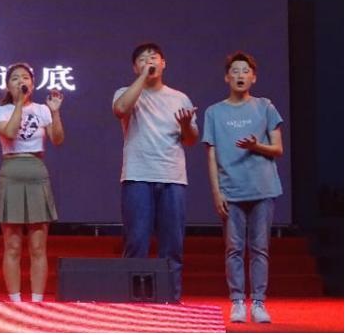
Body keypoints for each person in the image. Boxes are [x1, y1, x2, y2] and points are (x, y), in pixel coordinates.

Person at [112, 42, 197, 301]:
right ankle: (134, 301)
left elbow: (191, 139)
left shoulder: (179, 98)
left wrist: (186, 125)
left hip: (172, 176)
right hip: (138, 176)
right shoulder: (126, 92)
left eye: (154, 57)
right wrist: (142, 78)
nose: (149, 61)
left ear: (164, 63)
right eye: (142, 59)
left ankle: (170, 299)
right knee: (136, 241)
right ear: (135, 67)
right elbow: (120, 109)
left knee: (172, 244)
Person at [202, 52, 283, 324]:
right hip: (231, 191)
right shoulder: (214, 112)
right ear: (227, 77)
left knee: (260, 248)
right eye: (235, 71)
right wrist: (216, 192)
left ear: (253, 77)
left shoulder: (265, 107)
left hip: (263, 189)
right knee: (233, 249)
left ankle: (258, 302)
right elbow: (211, 155)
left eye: (245, 71)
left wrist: (256, 146)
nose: (240, 75)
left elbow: (278, 149)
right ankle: (237, 301)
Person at [0, 62, 64, 303]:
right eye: (15, 78)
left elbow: (58, 140)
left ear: (32, 84)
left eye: (25, 77)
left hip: (36, 171)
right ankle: (15, 301)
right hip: (12, 171)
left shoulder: (43, 110)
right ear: (7, 85)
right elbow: (10, 132)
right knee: (12, 246)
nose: (20, 81)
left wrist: (55, 112)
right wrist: (20, 105)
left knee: (38, 247)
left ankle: (37, 301)